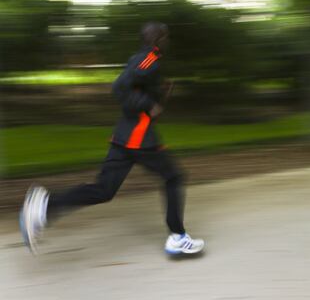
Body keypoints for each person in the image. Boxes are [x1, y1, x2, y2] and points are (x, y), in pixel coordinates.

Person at [19, 22, 204, 257]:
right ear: (158, 40)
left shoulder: (142, 58)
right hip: (139, 139)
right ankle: (177, 237)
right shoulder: (149, 58)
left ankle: (43, 207)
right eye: (166, 38)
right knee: (175, 176)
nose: (168, 42)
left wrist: (160, 94)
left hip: (124, 136)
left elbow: (135, 89)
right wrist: (149, 103)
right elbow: (120, 87)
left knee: (103, 190)